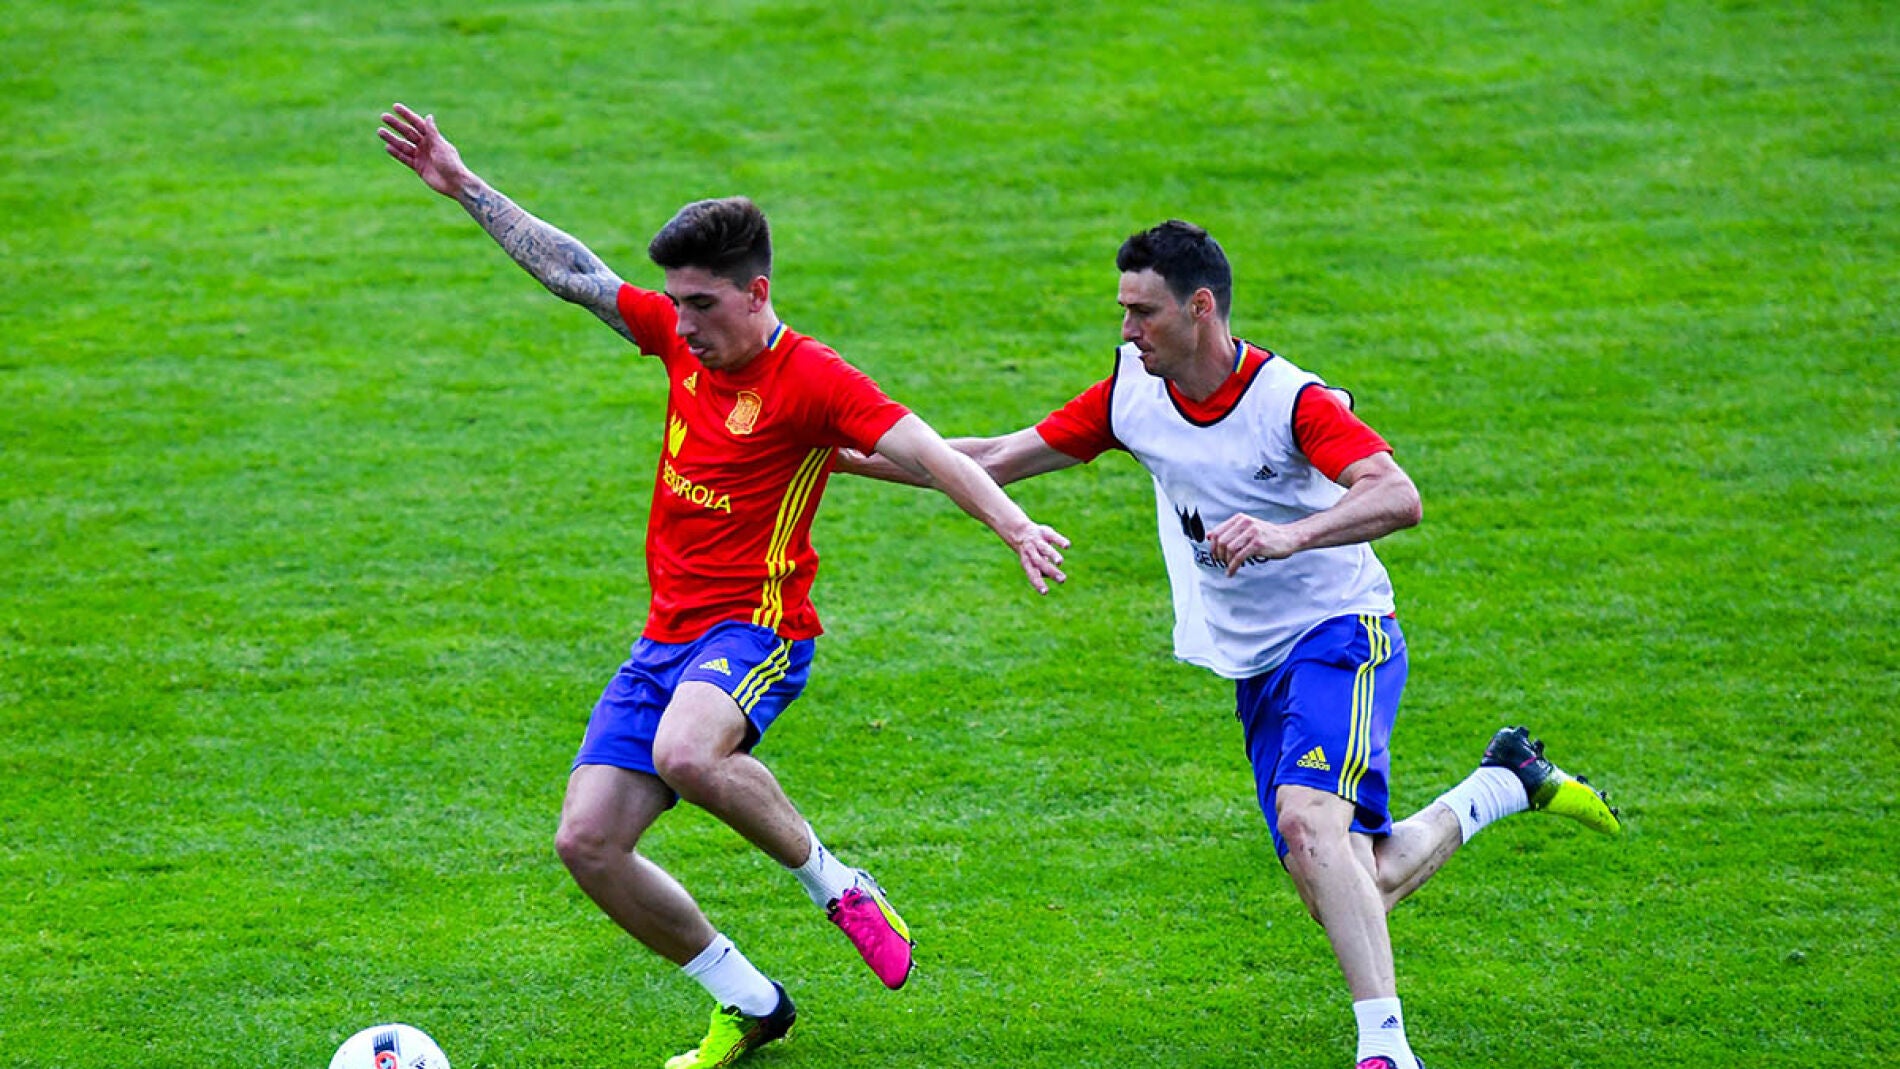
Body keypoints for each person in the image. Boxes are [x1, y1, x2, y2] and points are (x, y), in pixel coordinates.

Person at [377, 103, 1070, 1069]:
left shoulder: (814, 379)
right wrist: (463, 185)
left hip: (760, 626)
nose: (683, 320)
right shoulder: (677, 339)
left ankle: (839, 884)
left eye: (702, 303)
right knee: (587, 842)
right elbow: (576, 272)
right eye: (678, 302)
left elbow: (921, 448)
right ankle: (747, 1000)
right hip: (665, 638)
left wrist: (1014, 523)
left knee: (690, 752)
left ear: (757, 291)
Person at [838, 220, 1621, 1069]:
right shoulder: (1128, 397)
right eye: (1122, 312)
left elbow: (1398, 495)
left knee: (1307, 821)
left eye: (1142, 313)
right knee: (1352, 884)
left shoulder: (1291, 402)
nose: (1127, 331)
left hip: (1342, 634)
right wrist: (836, 452)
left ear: (1199, 307)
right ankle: (1505, 782)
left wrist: (1293, 536)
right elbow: (991, 455)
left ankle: (1386, 1051)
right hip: (1256, 666)